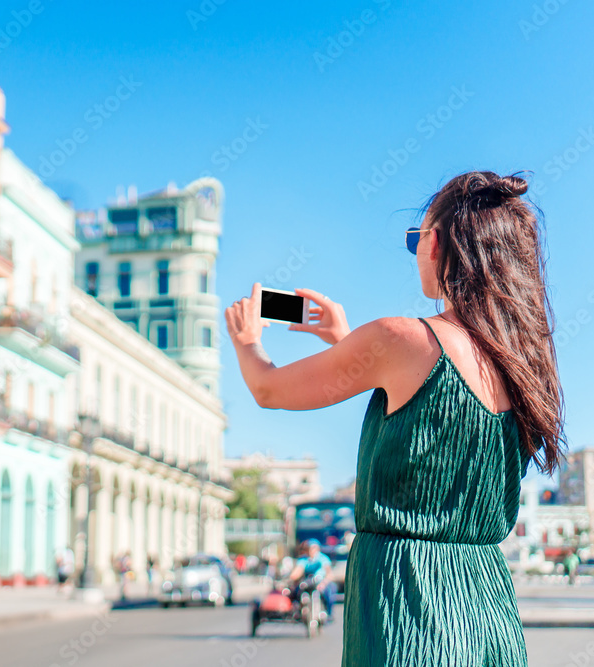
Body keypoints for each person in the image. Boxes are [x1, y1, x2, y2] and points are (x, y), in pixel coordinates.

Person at [225, 171, 564, 667]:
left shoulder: (399, 339)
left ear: (440, 242)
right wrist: (348, 344)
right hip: (488, 607)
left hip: (406, 603)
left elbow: (268, 390)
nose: (414, 251)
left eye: (416, 237)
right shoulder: (522, 366)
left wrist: (247, 339)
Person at [289, 539, 337, 621]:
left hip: (321, 582)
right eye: (310, 548)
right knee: (295, 591)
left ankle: (328, 613)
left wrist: (324, 583)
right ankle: (299, 611)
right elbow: (298, 571)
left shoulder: (322, 559)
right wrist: (292, 578)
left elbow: (329, 574)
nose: (312, 550)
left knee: (329, 591)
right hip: (308, 582)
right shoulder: (303, 560)